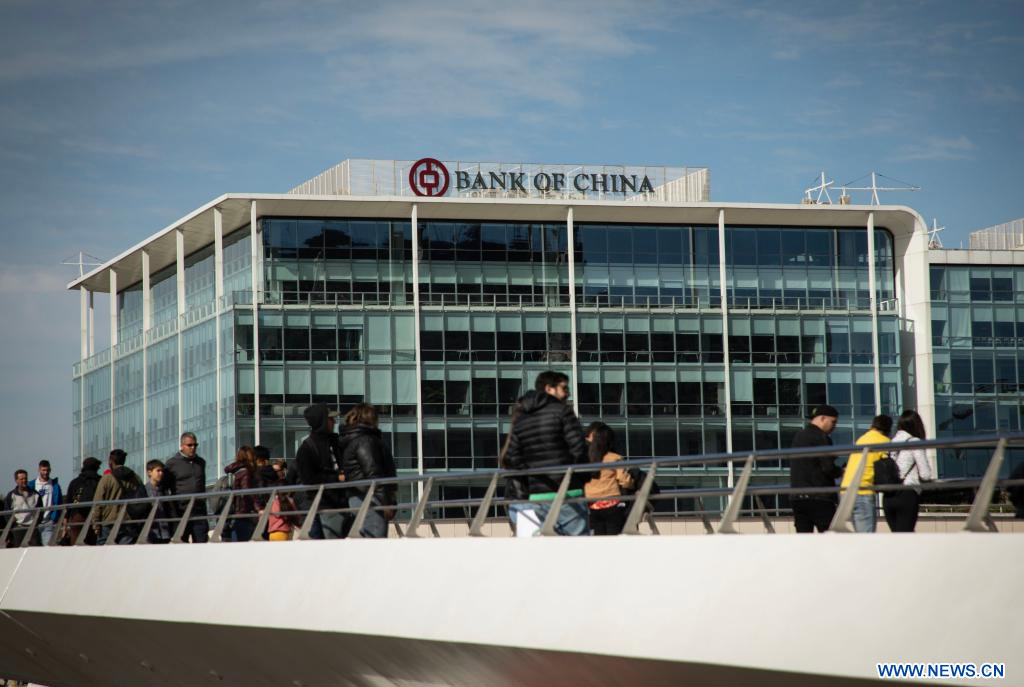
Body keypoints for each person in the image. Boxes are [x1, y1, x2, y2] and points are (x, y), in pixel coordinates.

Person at [503, 371, 589, 537]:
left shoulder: (522, 420)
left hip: (538, 496)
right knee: (578, 546)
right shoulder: (562, 411)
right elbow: (579, 448)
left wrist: (533, 478)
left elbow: (513, 458)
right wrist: (582, 477)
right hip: (568, 492)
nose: (568, 392)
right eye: (564, 388)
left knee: (551, 545)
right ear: (549, 389)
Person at [339, 403, 397, 539]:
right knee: (375, 541)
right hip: (370, 498)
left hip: (360, 497)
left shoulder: (355, 440)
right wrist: (386, 503)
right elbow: (374, 473)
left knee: (367, 542)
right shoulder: (366, 441)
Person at [295, 404, 347, 539]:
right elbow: (309, 478)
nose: (334, 422)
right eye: (330, 419)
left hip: (340, 502)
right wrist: (337, 478)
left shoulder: (336, 442)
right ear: (322, 421)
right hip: (323, 505)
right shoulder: (306, 448)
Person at [789, 404, 842, 533]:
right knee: (829, 538)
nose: (834, 426)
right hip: (820, 497)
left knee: (804, 539)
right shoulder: (822, 437)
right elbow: (828, 468)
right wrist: (841, 471)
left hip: (797, 497)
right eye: (833, 422)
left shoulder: (799, 436)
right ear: (823, 418)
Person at [883, 410, 934, 532]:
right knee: (906, 538)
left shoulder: (890, 442)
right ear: (917, 425)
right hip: (907, 494)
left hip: (888, 496)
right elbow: (925, 474)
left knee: (897, 539)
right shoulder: (914, 442)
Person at [841, 415, 893, 533]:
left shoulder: (862, 439)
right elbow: (888, 467)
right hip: (862, 490)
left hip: (846, 491)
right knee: (866, 536)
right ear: (888, 430)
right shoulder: (884, 441)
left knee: (860, 536)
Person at [583, 422, 633, 536]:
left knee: (599, 539)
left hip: (591, 505)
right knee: (613, 539)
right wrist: (632, 483)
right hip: (612, 503)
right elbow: (625, 481)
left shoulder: (585, 459)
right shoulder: (614, 458)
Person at [164, 432, 208, 543]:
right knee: (182, 543)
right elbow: (165, 487)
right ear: (182, 446)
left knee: (201, 543)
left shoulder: (201, 462)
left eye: (195, 445)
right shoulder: (172, 464)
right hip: (181, 511)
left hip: (199, 510)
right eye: (190, 445)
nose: (193, 448)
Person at [93, 450, 144, 545]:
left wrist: (96, 524)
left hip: (108, 521)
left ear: (111, 461)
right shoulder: (135, 477)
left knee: (102, 552)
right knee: (125, 552)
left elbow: (98, 502)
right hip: (128, 520)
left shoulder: (106, 478)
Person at [224, 446, 261, 542]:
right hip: (244, 512)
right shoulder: (245, 472)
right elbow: (248, 491)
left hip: (234, 514)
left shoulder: (234, 472)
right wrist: (259, 508)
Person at [64, 457, 102, 545]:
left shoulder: (75, 482)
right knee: (92, 543)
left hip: (77, 515)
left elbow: (69, 501)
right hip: (94, 516)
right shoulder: (100, 480)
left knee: (75, 542)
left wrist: (66, 517)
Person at [3, 470, 42, 546]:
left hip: (33, 529)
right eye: (21, 479)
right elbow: (7, 513)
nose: (24, 481)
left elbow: (40, 512)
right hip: (18, 529)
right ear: (16, 480)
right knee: (18, 552)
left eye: (25, 478)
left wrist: (36, 523)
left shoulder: (36, 494)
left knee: (36, 553)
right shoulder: (11, 495)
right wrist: (13, 525)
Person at [29, 460, 62, 545]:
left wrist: (54, 518)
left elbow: (59, 503)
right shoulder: (32, 485)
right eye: (43, 470)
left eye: (47, 470)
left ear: (50, 470)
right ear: (39, 470)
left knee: (47, 548)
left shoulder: (54, 485)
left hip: (49, 522)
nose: (45, 472)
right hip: (34, 523)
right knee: (34, 549)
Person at [144, 460, 174, 543]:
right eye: (158, 471)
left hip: (165, 532)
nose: (161, 473)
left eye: (162, 471)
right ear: (149, 472)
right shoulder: (144, 491)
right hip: (152, 533)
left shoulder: (164, 490)